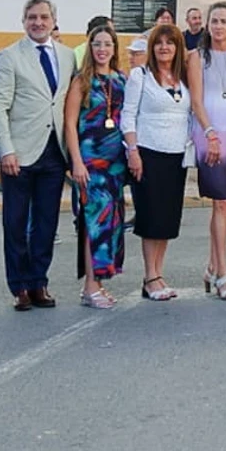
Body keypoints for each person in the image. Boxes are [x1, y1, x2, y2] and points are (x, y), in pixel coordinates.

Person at [0, 0, 75, 312]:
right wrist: (5, 149)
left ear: (54, 20)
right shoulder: (9, 56)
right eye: (31, 17)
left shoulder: (67, 57)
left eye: (43, 17)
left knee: (46, 223)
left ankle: (39, 281)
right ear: (23, 21)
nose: (38, 22)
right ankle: (19, 286)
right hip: (20, 154)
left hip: (55, 152)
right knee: (14, 222)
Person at [122, 24, 196, 301]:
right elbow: (128, 116)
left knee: (166, 219)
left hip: (176, 157)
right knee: (150, 217)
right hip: (148, 154)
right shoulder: (140, 76)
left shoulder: (183, 78)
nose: (164, 47)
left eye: (170, 42)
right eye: (159, 43)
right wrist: (133, 151)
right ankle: (150, 276)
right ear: (151, 47)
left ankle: (158, 273)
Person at [64, 28, 127, 309]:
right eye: (97, 44)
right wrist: (76, 162)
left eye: (107, 44)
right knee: (94, 221)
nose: (102, 49)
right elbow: (70, 124)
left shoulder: (120, 80)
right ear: (90, 48)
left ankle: (98, 283)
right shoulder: (81, 81)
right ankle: (90, 286)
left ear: (114, 48)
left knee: (111, 223)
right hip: (90, 163)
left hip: (115, 165)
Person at [188, 3, 226, 300]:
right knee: (222, 203)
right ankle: (223, 272)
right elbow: (196, 101)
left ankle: (212, 267)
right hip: (212, 137)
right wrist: (210, 134)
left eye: (224, 21)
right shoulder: (197, 58)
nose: (219, 26)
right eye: (214, 21)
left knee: (225, 204)